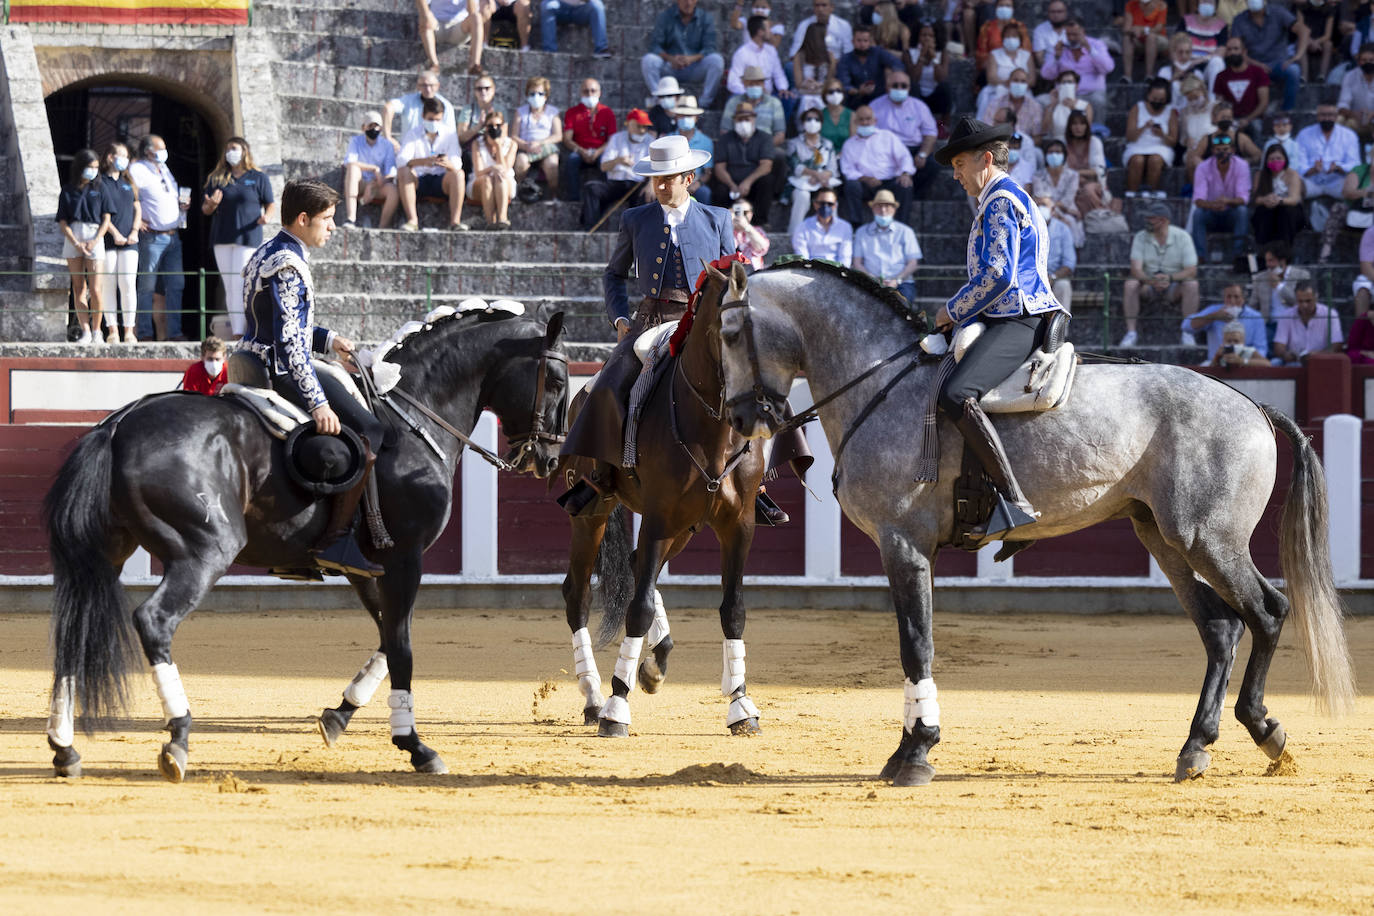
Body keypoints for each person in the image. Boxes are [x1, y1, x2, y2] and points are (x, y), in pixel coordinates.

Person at [561, 135, 792, 526]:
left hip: (704, 323)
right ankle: (600, 475)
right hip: (650, 321)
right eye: (658, 179)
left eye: (670, 178)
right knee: (605, 386)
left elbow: (732, 276)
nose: (662, 186)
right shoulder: (634, 219)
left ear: (690, 178)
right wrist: (620, 320)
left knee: (755, 384)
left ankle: (760, 485)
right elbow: (614, 275)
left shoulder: (717, 218)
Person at [236, 178, 387, 577]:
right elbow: (288, 343)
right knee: (372, 431)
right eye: (327, 219)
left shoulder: (266, 252)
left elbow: (277, 323)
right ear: (303, 219)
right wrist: (318, 401)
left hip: (253, 358)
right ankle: (335, 540)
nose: (332, 226)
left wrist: (329, 339)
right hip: (281, 369)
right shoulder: (288, 264)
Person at [932, 117, 1066, 539]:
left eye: (958, 164)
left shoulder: (1000, 201)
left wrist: (951, 310)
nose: (955, 175)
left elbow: (998, 275)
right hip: (1014, 315)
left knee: (956, 394)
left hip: (1018, 318)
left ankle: (1013, 500)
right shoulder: (1005, 198)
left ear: (985, 159)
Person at [203, 137, 275, 339]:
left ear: (244, 151)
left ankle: (246, 329)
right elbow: (206, 209)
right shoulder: (217, 178)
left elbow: (270, 203)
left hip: (248, 237)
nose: (230, 153)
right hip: (223, 237)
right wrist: (211, 205)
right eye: (227, 149)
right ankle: (237, 331)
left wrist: (267, 217)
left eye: (233, 148)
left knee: (241, 283)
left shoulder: (258, 177)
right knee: (229, 285)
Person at [130, 134, 190, 342]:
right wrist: (136, 220)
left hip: (173, 236)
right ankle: (145, 332)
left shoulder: (164, 169)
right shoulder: (137, 169)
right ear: (148, 151)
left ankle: (174, 332)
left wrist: (183, 206)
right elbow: (129, 195)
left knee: (176, 284)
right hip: (152, 237)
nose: (164, 152)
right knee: (147, 286)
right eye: (160, 148)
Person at [1120, 200, 1200, 348]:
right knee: (1130, 284)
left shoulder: (1183, 237)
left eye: (1151, 218)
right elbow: (1135, 269)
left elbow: (1191, 269)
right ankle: (1131, 333)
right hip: (1148, 284)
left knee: (1192, 284)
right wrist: (1151, 281)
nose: (1147, 221)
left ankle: (1188, 332)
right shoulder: (1140, 236)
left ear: (1163, 220)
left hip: (1174, 285)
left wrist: (1170, 278)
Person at [57, 148, 112, 346]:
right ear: (81, 167)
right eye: (90, 167)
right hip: (74, 234)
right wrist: (75, 242)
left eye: (96, 167)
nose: (93, 171)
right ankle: (85, 330)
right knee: (78, 286)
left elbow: (106, 217)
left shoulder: (100, 187)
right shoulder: (68, 189)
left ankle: (98, 331)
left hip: (94, 234)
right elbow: (62, 221)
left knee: (96, 289)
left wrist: (96, 240)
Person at [397, 97, 468, 231]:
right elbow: (401, 160)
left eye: (437, 120)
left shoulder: (449, 134)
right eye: (430, 120)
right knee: (403, 172)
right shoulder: (413, 134)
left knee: (459, 174)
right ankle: (412, 221)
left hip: (441, 181)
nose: (434, 123)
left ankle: (455, 222)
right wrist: (423, 162)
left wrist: (447, 164)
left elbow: (457, 162)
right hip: (419, 180)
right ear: (423, 116)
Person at [641, 0, 726, 108]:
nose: (688, 3)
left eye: (691, 0)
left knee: (716, 61)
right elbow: (655, 46)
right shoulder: (665, 17)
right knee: (649, 60)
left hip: (695, 67)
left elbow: (710, 47)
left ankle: (704, 103)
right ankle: (660, 99)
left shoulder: (705, 18)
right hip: (670, 67)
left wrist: (691, 59)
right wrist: (671, 58)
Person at [840, 105, 915, 225]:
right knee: (851, 186)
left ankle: (902, 225)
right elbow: (847, 169)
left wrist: (905, 173)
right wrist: (866, 178)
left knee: (905, 185)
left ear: (875, 120)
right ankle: (856, 224)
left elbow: (904, 156)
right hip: (865, 184)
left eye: (868, 119)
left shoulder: (888, 136)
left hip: (889, 182)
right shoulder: (849, 144)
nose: (865, 122)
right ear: (855, 122)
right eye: (861, 119)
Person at [1229, 0, 1307, 112]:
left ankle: (1287, 111)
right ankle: (1247, 113)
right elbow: (1235, 49)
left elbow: (1303, 31)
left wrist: (1298, 55)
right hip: (1252, 65)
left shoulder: (1279, 12)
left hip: (1278, 64)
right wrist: (1257, 64)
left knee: (1294, 70)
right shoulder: (1239, 20)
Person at [97, 142, 140, 344]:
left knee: (128, 284)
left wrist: (134, 231)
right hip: (108, 240)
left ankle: (129, 330)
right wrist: (113, 233)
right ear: (110, 157)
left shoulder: (128, 181)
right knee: (108, 284)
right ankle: (112, 329)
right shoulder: (100, 182)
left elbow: (137, 208)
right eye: (120, 155)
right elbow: (99, 212)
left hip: (130, 241)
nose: (124, 159)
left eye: (127, 156)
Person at [582, 109, 653, 230]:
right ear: (629, 124)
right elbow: (603, 166)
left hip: (638, 184)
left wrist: (651, 184)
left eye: (645, 127)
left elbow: (656, 167)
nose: (642, 130)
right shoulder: (616, 138)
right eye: (638, 126)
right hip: (616, 183)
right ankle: (589, 228)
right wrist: (617, 160)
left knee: (646, 196)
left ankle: (637, 233)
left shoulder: (651, 141)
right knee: (591, 188)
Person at [869, 70, 938, 193]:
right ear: (887, 87)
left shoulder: (919, 106)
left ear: (909, 88)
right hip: (885, 151)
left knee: (931, 165)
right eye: (895, 85)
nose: (899, 88)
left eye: (903, 86)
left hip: (912, 150)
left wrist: (922, 154)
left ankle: (915, 195)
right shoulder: (875, 106)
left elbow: (930, 133)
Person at [711, 102, 777, 225]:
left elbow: (766, 165)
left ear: (754, 119)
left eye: (747, 119)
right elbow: (719, 168)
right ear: (734, 121)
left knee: (767, 181)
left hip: (753, 182)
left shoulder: (765, 138)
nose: (743, 123)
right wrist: (732, 185)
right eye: (740, 119)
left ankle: (759, 223)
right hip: (730, 183)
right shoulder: (725, 140)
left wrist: (748, 182)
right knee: (719, 189)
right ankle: (720, 224)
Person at [1190, 131, 1251, 262]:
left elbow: (1244, 198)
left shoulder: (1242, 166)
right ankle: (1200, 257)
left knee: (1242, 211)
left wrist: (1227, 201)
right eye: (1218, 149)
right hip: (1211, 213)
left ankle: (1238, 255)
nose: (1222, 152)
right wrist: (1213, 205)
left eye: (1225, 149)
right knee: (1198, 214)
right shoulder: (1203, 167)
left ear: (1233, 150)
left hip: (1231, 213)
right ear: (1213, 151)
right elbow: (1198, 199)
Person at [852, 189, 921, 302]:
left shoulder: (905, 231)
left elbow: (913, 263)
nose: (883, 210)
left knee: (903, 307)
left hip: (901, 282)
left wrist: (897, 280)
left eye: (887, 206)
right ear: (873, 208)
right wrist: (872, 279)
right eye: (879, 206)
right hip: (870, 282)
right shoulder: (862, 232)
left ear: (894, 209)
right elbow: (857, 263)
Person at [1040, 20, 1114, 118]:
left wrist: (1090, 49)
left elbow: (1108, 68)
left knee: (1099, 101)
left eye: (1075, 35)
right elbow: (1046, 75)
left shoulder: (1096, 45)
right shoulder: (1059, 47)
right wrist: (1056, 57)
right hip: (1065, 93)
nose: (1071, 38)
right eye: (1068, 34)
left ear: (1082, 32)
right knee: (1040, 101)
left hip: (1091, 93)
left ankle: (1098, 131)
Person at [560, 78, 617, 203]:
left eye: (593, 91)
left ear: (599, 93)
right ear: (581, 93)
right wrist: (581, 151)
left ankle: (607, 197)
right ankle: (573, 199)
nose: (590, 94)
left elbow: (612, 139)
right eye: (586, 91)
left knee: (607, 161)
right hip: (580, 151)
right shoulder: (572, 112)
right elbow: (567, 139)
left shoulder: (607, 112)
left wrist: (598, 152)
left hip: (601, 151)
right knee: (571, 160)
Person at [1298, 103, 1360, 216]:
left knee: (1355, 185)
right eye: (1323, 115)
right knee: (1294, 184)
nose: (1327, 118)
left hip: (1338, 182)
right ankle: (1299, 222)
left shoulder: (1349, 135)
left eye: (1330, 114)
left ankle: (1352, 224)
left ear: (1336, 116)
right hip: (1312, 181)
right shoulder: (1304, 134)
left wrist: (1338, 168)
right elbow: (1298, 164)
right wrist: (1312, 169)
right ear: (1317, 116)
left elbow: (1355, 164)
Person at [786, 107, 841, 232]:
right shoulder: (793, 143)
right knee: (802, 196)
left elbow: (832, 168)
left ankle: (834, 231)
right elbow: (794, 165)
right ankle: (793, 232)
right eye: (809, 119)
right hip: (800, 181)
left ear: (821, 123)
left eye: (816, 119)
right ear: (803, 122)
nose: (812, 122)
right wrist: (815, 174)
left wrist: (822, 177)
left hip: (822, 181)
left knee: (829, 195)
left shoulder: (827, 144)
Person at [342, 111, 399, 229]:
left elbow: (391, 171)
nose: (374, 129)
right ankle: (351, 218)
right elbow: (350, 162)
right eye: (370, 126)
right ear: (363, 127)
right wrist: (374, 169)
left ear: (381, 128)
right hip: (360, 182)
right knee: (353, 170)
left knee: (393, 191)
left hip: (378, 183)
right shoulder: (356, 141)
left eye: (376, 126)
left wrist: (374, 185)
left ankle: (383, 227)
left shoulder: (387, 145)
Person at [1123, 78, 1179, 199]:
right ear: (1148, 95)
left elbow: (1173, 141)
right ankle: (1131, 194)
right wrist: (1143, 127)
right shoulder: (1137, 108)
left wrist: (1162, 135)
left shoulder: (1171, 112)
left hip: (1161, 147)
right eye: (1154, 99)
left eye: (1161, 100)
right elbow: (1129, 136)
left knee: (1155, 160)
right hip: (1137, 145)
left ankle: (1151, 193)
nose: (1157, 102)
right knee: (1137, 160)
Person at [1184, 283, 1268, 362]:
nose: (1232, 301)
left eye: (1236, 297)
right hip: (1215, 364)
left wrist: (1242, 360)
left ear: (1243, 298)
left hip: (1245, 365)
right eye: (1228, 297)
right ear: (1224, 298)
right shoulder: (1214, 311)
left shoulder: (1256, 317)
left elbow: (1261, 350)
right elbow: (1186, 326)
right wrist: (1214, 317)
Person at [383, 69, 456, 153]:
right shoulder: (408, 101)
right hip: (408, 150)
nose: (428, 89)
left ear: (437, 86)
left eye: (431, 85)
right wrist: (388, 137)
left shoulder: (446, 106)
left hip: (435, 153)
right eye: (424, 85)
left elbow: (450, 134)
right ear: (418, 86)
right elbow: (388, 108)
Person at [513, 76, 562, 199]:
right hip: (526, 148)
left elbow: (558, 135)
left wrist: (540, 143)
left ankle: (553, 195)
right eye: (532, 93)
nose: (536, 97)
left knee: (552, 164)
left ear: (546, 95)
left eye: (540, 93)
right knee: (520, 162)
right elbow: (513, 136)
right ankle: (519, 192)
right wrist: (526, 145)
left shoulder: (553, 112)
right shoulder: (520, 112)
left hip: (546, 149)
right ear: (527, 94)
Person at [1272, 281, 1344, 364]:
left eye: (1308, 301)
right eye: (1300, 301)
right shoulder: (1286, 315)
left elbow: (1336, 345)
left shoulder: (1330, 314)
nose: (1304, 305)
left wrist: (1316, 355)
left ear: (1316, 298)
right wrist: (1286, 355)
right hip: (1294, 362)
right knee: (1275, 362)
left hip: (1322, 361)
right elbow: (1279, 346)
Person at [1211, 36, 1270, 137]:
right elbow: (1220, 105)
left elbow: (1264, 103)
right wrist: (1231, 121)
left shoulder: (1258, 72)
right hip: (1231, 120)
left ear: (1244, 51)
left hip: (1253, 118)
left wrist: (1247, 120)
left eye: (1236, 49)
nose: (1232, 52)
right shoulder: (1221, 76)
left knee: (1256, 127)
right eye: (1229, 49)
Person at [417, 0, 494, 76]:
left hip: (459, 28)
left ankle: (475, 65)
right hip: (436, 24)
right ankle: (434, 64)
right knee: (425, 16)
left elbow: (472, 12)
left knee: (477, 17)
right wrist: (425, 13)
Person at [1251, 143, 1306, 247]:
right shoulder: (1260, 175)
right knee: (1264, 214)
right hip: (1268, 207)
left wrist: (1279, 200)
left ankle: (1285, 251)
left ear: (1285, 159)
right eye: (1272, 159)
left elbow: (1294, 199)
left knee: (1285, 213)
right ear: (1266, 160)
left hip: (1289, 209)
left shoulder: (1292, 174)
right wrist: (1265, 199)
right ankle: (1263, 251)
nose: (1275, 161)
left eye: (1279, 158)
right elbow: (1256, 198)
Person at [469, 110, 518, 229]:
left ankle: (502, 219)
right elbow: (478, 171)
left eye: (498, 125)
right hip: (480, 182)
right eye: (490, 126)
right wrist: (492, 168)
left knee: (500, 177)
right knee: (487, 179)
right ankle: (490, 222)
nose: (494, 128)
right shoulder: (477, 143)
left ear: (503, 126)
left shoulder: (511, 144)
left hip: (504, 182)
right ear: (485, 128)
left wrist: (498, 146)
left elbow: (505, 169)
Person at [728, 14, 791, 101]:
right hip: (748, 95)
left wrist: (783, 88)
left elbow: (779, 74)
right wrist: (748, 93)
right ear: (760, 32)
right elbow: (733, 82)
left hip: (768, 96)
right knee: (734, 99)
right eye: (769, 28)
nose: (771, 32)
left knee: (788, 99)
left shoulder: (771, 51)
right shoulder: (741, 53)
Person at [1032, 139, 1083, 248]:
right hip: (1048, 211)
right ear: (1045, 155)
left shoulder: (1073, 175)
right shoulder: (1038, 176)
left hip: (1067, 211)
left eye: (1058, 152)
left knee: (1070, 222)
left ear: (1064, 155)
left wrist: (1054, 208)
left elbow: (1068, 199)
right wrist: (1060, 216)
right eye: (1050, 152)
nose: (1054, 155)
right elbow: (1041, 197)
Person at [838, 25, 903, 108]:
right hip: (858, 98)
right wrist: (858, 91)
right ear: (853, 41)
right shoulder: (846, 59)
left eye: (865, 41)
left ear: (869, 42)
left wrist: (890, 76)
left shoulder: (878, 52)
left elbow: (897, 64)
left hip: (881, 95)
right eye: (859, 41)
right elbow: (844, 84)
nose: (862, 44)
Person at [978, 67, 1043, 143]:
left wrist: (1021, 146)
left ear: (1027, 86)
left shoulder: (1035, 107)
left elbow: (1037, 137)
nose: (1019, 84)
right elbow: (986, 130)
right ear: (1008, 83)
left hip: (1024, 148)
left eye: (1023, 81)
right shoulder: (995, 104)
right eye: (1015, 80)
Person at [790, 186, 853, 265]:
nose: (825, 207)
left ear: (835, 205)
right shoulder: (802, 227)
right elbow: (802, 257)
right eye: (822, 203)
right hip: (811, 271)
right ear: (815, 204)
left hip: (837, 272)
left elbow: (845, 257)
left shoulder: (845, 227)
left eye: (830, 204)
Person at [1249, 239, 1309, 319]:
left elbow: (1301, 303)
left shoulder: (1301, 275)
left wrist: (1279, 286)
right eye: (1266, 261)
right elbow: (1252, 306)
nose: (1268, 265)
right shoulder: (1260, 278)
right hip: (1269, 325)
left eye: (1271, 260)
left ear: (1282, 261)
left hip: (1293, 322)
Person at [1063, 111, 1109, 216]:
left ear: (1087, 126)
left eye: (1082, 124)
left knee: (1088, 191)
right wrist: (1078, 177)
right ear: (1069, 126)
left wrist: (1077, 174)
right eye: (1074, 124)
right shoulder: (1064, 143)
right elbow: (1062, 171)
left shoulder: (1094, 142)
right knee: (1074, 191)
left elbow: (1098, 171)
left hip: (1093, 183)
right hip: (1069, 182)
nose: (1078, 127)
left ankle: (1097, 216)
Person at [1036, 193, 1076, 311]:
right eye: (1037, 205)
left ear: (1053, 210)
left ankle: (1060, 328)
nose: (1039, 208)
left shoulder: (1063, 229)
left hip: (1055, 277)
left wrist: (1052, 277)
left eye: (1043, 205)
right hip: (1032, 278)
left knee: (1063, 286)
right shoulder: (1025, 228)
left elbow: (1069, 263)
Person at [672, 95, 713, 204]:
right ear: (676, 117)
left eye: (689, 116)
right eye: (682, 115)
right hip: (672, 181)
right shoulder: (668, 139)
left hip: (695, 181)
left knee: (704, 193)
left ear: (696, 118)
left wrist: (697, 183)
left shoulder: (706, 141)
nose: (685, 119)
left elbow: (708, 172)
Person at [793, 21, 836, 122]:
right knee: (806, 100)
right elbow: (798, 84)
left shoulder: (830, 57)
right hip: (805, 91)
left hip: (822, 91)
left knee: (823, 99)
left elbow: (831, 82)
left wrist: (819, 85)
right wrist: (808, 84)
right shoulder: (799, 56)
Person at [909, 22, 951, 118]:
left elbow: (942, 78)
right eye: (924, 35)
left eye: (931, 36)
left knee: (945, 87)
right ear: (918, 36)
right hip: (918, 96)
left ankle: (944, 126)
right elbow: (914, 78)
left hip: (935, 97)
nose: (927, 38)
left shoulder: (943, 53)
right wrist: (922, 56)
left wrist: (934, 58)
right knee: (913, 86)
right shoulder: (910, 53)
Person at [540, 0, 611, 57]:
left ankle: (601, 48)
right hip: (559, 8)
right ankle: (549, 50)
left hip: (581, 10)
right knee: (547, 5)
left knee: (597, 5)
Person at [788, 0, 853, 61]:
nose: (820, 9)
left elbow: (848, 50)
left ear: (832, 7)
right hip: (811, 64)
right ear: (813, 8)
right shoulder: (804, 25)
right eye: (817, 5)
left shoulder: (843, 25)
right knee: (790, 66)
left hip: (838, 64)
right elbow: (795, 52)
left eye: (824, 5)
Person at [974, 0, 1030, 71]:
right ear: (995, 8)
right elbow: (981, 56)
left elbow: (1026, 52)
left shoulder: (1020, 27)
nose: (1004, 8)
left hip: (1017, 69)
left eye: (1008, 6)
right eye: (1001, 6)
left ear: (1013, 9)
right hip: (992, 68)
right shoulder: (987, 27)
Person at [1121, 0, 1168, 83]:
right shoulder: (1131, 4)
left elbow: (1158, 28)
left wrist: (1143, 29)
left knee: (1151, 37)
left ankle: (1149, 75)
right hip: (1138, 40)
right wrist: (1133, 31)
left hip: (1158, 40)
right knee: (1127, 38)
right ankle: (1127, 76)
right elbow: (1126, 29)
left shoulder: (1161, 5)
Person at [1042, 69, 1094, 140]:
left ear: (1076, 86)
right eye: (1063, 82)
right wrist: (1052, 105)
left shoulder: (1085, 106)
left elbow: (1086, 129)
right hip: (1058, 142)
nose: (1066, 85)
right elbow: (1045, 130)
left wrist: (1073, 109)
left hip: (1077, 142)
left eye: (1070, 82)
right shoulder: (1051, 107)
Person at [455, 74, 505, 148]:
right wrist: (479, 126)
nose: (483, 91)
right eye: (479, 89)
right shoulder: (468, 110)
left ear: (493, 90)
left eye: (487, 88)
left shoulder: (500, 110)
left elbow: (503, 137)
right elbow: (461, 138)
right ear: (475, 91)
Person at [1338, 43, 1374, 138]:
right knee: (1340, 120)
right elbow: (1343, 104)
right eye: (1364, 60)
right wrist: (1354, 114)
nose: (1368, 63)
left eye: (1371, 60)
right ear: (1358, 62)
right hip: (1358, 121)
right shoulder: (1350, 76)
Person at [1300, 0, 1339, 83]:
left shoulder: (1330, 9)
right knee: (1301, 43)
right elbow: (1300, 28)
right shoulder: (1301, 7)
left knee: (1328, 44)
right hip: (1306, 38)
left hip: (1321, 40)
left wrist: (1316, 42)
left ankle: (1322, 76)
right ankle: (1303, 77)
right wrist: (1309, 40)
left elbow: (1328, 34)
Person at [1031, 0, 1071, 71]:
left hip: (1071, 71)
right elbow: (1040, 59)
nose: (1056, 15)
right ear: (1048, 13)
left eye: (1059, 11)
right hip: (1049, 70)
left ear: (1065, 13)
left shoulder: (1072, 29)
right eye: (1053, 12)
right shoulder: (1040, 30)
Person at [731, 199, 770, 268]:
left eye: (745, 212)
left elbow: (763, 248)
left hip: (753, 273)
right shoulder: (727, 231)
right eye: (738, 212)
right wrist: (729, 223)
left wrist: (746, 227)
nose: (741, 215)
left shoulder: (757, 230)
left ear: (751, 214)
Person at [819, 78, 852, 152]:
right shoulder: (820, 115)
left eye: (838, 90)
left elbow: (854, 143)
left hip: (846, 157)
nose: (835, 94)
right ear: (824, 94)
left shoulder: (852, 115)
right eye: (831, 91)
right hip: (825, 157)